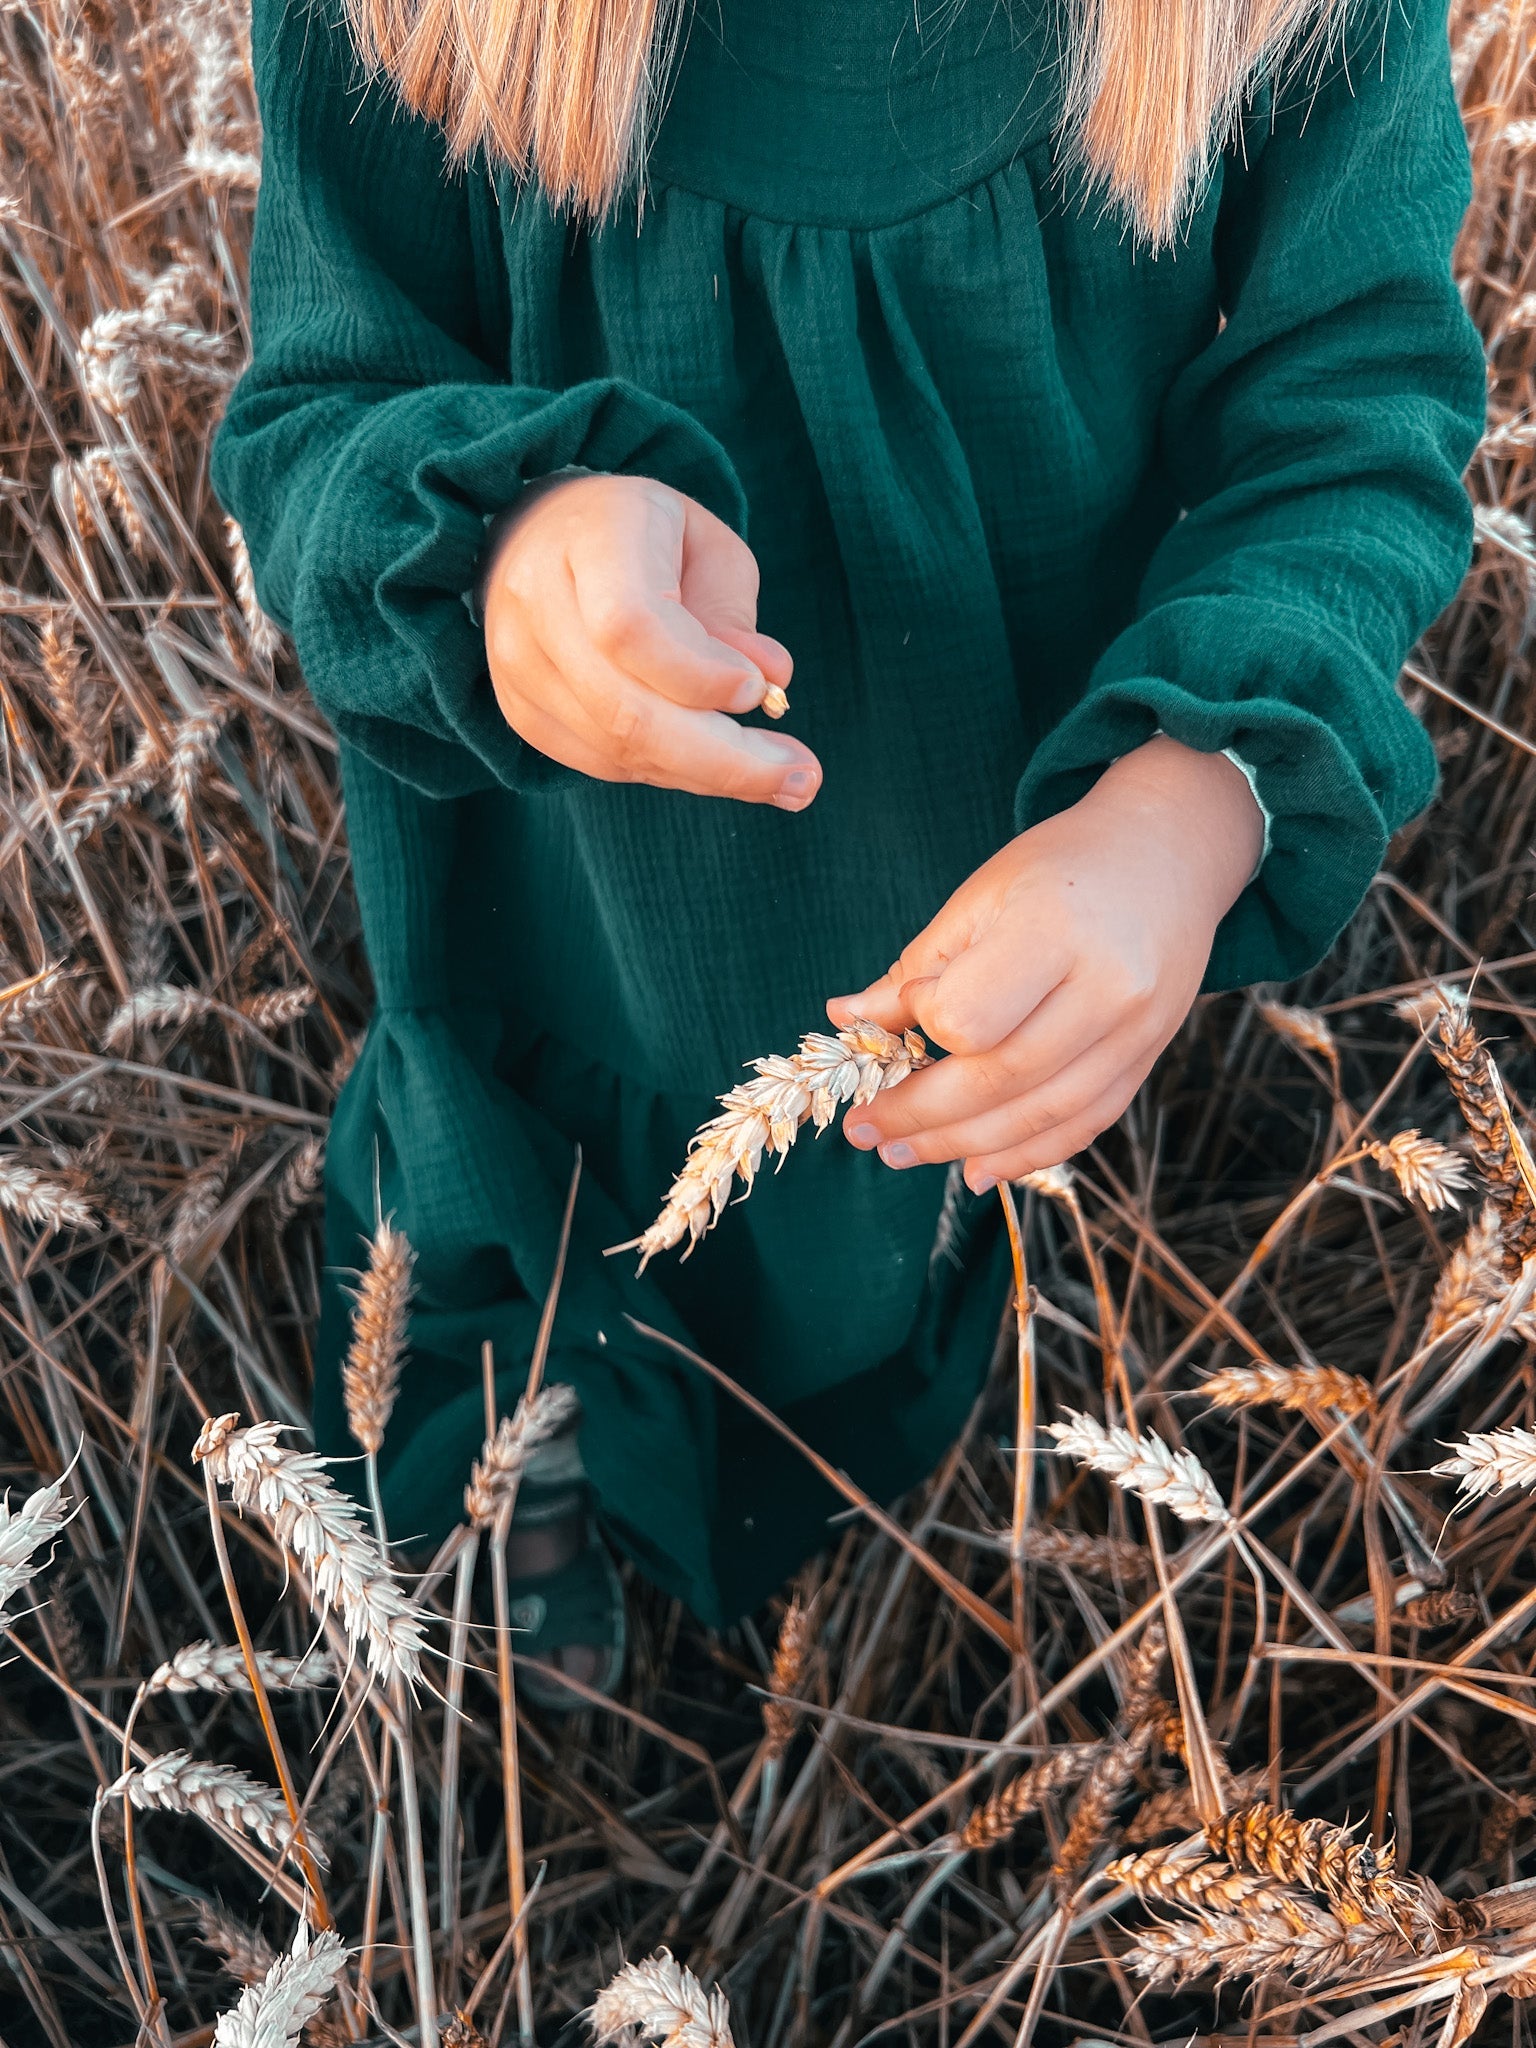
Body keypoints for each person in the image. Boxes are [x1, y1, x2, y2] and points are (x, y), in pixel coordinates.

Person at [211, 0, 1487, 1701]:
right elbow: (316, 411)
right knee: (506, 1317)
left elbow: (1352, 421)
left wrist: (1187, 803)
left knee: (868, 1295)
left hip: (975, 913)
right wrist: (502, 552)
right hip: (568, 905)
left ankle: (799, 1577)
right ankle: (510, 1631)